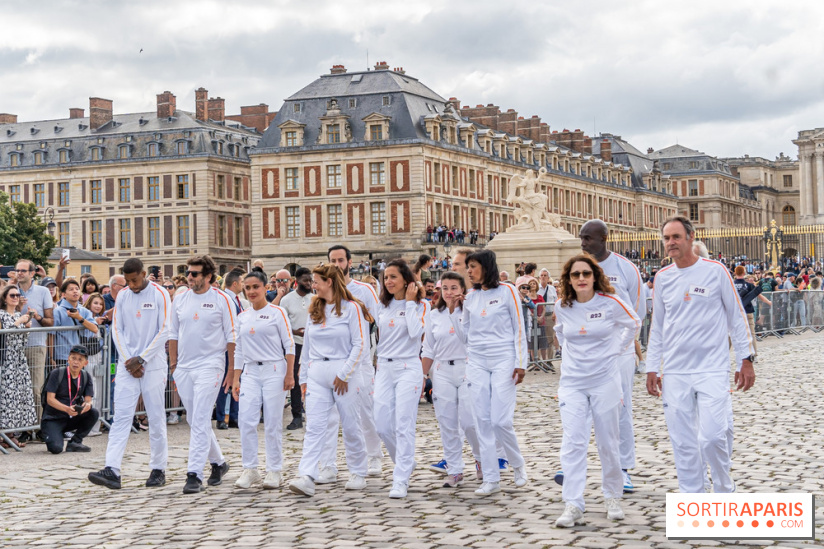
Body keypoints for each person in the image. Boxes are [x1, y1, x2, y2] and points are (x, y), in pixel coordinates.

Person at [646, 217, 755, 494]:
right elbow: (657, 326)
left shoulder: (715, 271)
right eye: (667, 238)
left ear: (690, 237)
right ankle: (692, 497)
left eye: (676, 237)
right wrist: (651, 368)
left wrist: (746, 359)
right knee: (683, 442)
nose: (671, 242)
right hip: (675, 371)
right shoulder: (662, 278)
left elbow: (736, 315)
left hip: (711, 368)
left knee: (711, 437)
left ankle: (723, 489)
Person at [552, 254, 640, 527]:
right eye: (575, 274)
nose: (581, 279)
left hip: (604, 381)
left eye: (585, 274)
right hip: (573, 383)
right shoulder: (562, 306)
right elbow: (560, 332)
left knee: (607, 441)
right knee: (573, 442)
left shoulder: (611, 302)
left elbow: (634, 324)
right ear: (568, 279)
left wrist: (617, 349)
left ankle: (612, 495)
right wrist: (570, 355)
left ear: (595, 276)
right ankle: (573, 502)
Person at [88, 259, 171, 490]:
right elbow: (117, 329)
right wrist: (128, 359)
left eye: (135, 280)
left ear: (144, 273)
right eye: (128, 280)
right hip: (127, 364)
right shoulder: (123, 295)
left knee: (155, 416)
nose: (132, 284)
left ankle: (158, 468)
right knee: (121, 416)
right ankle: (112, 468)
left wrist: (142, 358)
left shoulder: (160, 294)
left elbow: (165, 329)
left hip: (152, 363)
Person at [450, 249, 528, 495]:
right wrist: (455, 311)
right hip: (477, 361)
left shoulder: (508, 291)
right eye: (468, 267)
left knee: (500, 420)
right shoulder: (470, 297)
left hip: (504, 358)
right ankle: (491, 478)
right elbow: (465, 336)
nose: (469, 271)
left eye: (473, 266)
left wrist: (521, 363)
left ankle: (517, 463)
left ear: (486, 267)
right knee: (482, 420)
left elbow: (519, 329)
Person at [289, 265, 371, 497]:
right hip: (317, 370)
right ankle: (307, 474)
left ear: (330, 282)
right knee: (315, 426)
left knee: (350, 423)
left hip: (342, 370)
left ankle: (358, 470)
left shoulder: (351, 308)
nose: (313, 285)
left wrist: (344, 373)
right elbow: (308, 346)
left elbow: (359, 343)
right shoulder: (315, 307)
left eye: (316, 281)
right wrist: (303, 377)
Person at [577, 219, 646, 493]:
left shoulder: (625, 268)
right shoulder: (578, 268)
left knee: (620, 407)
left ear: (605, 238)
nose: (583, 243)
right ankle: (573, 464)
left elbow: (638, 309)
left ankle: (623, 468)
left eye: (588, 238)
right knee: (580, 409)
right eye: (581, 238)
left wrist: (624, 342)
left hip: (619, 349)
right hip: (587, 351)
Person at [169, 255, 236, 494]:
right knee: (192, 418)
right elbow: (173, 332)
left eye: (195, 274)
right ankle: (218, 463)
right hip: (184, 367)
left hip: (211, 364)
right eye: (188, 272)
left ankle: (194, 473)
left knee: (200, 419)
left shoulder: (222, 299)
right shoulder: (180, 298)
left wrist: (231, 371)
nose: (190, 277)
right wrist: (174, 365)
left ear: (208, 276)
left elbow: (232, 337)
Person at [319, 245, 384, 480]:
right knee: (329, 416)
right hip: (333, 361)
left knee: (366, 410)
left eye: (340, 260)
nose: (337, 265)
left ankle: (374, 455)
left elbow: (376, 324)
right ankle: (327, 464)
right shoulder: (323, 291)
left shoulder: (364, 290)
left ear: (349, 262)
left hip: (361, 360)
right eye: (332, 260)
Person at [232, 271, 296, 490]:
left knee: (272, 421)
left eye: (255, 287)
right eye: (247, 288)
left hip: (274, 370)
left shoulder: (277, 313)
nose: (251, 292)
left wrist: (289, 374)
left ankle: (274, 470)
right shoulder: (242, 317)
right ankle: (250, 468)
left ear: (264, 287)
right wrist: (235, 378)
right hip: (250, 371)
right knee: (246, 420)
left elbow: (289, 344)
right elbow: (238, 350)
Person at [373, 259, 428, 498]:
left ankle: (400, 478)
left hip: (408, 366)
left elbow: (416, 333)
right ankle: (404, 462)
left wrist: (409, 304)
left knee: (403, 423)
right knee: (383, 425)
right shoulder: (381, 306)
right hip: (384, 368)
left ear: (406, 279)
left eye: (393, 276)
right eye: (386, 277)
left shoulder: (420, 305)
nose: (389, 281)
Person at [421, 272, 480, 488]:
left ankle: (480, 458)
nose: (449, 292)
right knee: (447, 421)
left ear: (462, 289)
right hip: (442, 369)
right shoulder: (434, 314)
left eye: (454, 288)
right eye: (445, 288)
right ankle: (454, 468)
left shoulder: (470, 310)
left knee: (469, 421)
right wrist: (422, 376)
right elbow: (428, 348)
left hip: (467, 366)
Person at [11, 260, 54, 434]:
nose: (19, 273)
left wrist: (37, 317)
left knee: (36, 389)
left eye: (23, 270)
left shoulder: (43, 291)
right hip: (13, 347)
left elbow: (51, 322)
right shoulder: (11, 290)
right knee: (16, 390)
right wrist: (17, 307)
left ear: (32, 273)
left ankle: (38, 428)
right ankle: (21, 430)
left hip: (36, 345)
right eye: (17, 270)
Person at [40, 345, 100, 454]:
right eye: (73, 358)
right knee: (56, 449)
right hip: (54, 418)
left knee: (93, 413)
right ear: (68, 359)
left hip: (71, 417)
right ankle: (51, 433)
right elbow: (50, 399)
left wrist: (87, 405)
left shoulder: (86, 376)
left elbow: (88, 399)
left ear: (85, 363)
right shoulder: (57, 373)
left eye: (80, 359)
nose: (76, 362)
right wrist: (67, 409)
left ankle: (75, 442)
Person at [0, 285, 36, 447]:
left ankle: (11, 433)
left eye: (17, 295)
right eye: (12, 295)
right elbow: (5, 337)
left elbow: (21, 341)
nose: (15, 297)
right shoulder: (1, 315)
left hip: (19, 360)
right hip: (6, 360)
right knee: (6, 397)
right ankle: (5, 434)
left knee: (18, 397)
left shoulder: (18, 315)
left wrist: (27, 324)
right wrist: (18, 323)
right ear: (5, 298)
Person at [279, 267, 313, 431]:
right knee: (296, 382)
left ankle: (313, 413)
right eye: (306, 280)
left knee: (313, 380)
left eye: (310, 280)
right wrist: (294, 331)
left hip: (313, 345)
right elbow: (282, 325)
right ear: (297, 281)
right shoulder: (286, 300)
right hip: (295, 345)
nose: (309, 283)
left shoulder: (315, 298)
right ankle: (297, 416)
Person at [215, 270, 245, 430]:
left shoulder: (238, 300)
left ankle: (234, 416)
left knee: (236, 380)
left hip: (238, 346)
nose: (244, 285)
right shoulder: (223, 298)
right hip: (227, 346)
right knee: (225, 381)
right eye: (242, 282)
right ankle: (220, 417)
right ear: (234, 283)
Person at [52, 279, 99, 368]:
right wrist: (51, 357)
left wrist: (79, 318)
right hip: (63, 356)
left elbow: (95, 329)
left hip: (80, 356)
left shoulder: (85, 311)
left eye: (77, 289)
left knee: (79, 382)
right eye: (71, 289)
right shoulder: (57, 311)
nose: (75, 291)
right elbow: (51, 335)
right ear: (63, 294)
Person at [83, 293, 108, 436]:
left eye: (100, 304)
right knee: (91, 393)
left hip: (99, 359)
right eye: (95, 303)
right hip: (89, 359)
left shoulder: (101, 321)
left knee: (99, 392)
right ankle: (86, 426)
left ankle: (95, 426)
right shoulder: (86, 319)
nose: (98, 306)